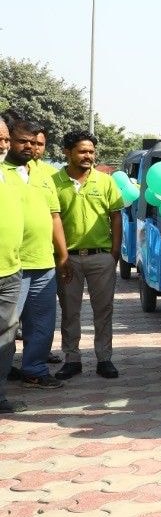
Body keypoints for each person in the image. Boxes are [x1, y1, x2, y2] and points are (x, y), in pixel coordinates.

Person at [52, 131, 125, 381]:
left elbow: (116, 216)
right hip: (67, 259)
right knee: (69, 310)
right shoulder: (54, 182)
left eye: (91, 152)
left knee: (103, 310)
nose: (88, 156)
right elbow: (53, 220)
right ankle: (72, 359)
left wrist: (114, 253)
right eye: (83, 151)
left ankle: (104, 358)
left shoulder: (105, 182)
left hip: (101, 257)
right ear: (67, 152)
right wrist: (61, 257)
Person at [1, 121, 68, 389]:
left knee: (41, 323)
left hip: (44, 263)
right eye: (21, 141)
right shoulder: (3, 172)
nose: (28, 146)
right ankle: (5, 376)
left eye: (33, 141)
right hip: (12, 266)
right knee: (6, 328)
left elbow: (55, 217)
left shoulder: (45, 174)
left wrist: (62, 256)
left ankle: (34, 370)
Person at [0, 119, 29, 415]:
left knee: (6, 337)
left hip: (10, 271)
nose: (4, 144)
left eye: (6, 138)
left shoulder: (11, 176)